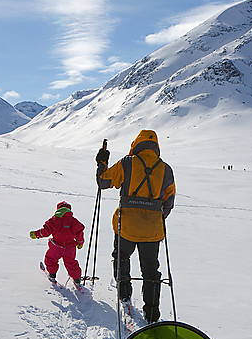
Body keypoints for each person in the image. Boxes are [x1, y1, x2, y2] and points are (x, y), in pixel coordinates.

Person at [96, 130, 175, 323]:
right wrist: (156, 217)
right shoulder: (166, 169)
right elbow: (169, 201)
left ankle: (124, 294)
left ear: (136, 144)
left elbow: (103, 182)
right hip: (152, 231)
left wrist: (102, 162)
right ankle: (152, 313)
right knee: (151, 270)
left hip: (126, 226)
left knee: (121, 257)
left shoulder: (127, 163)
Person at [30, 201, 85, 289]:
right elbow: (79, 234)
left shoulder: (54, 220)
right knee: (71, 263)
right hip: (70, 248)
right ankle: (77, 280)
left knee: (51, 259)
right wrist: (80, 243)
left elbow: (46, 231)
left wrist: (36, 234)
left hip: (56, 246)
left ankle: (52, 275)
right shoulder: (74, 221)